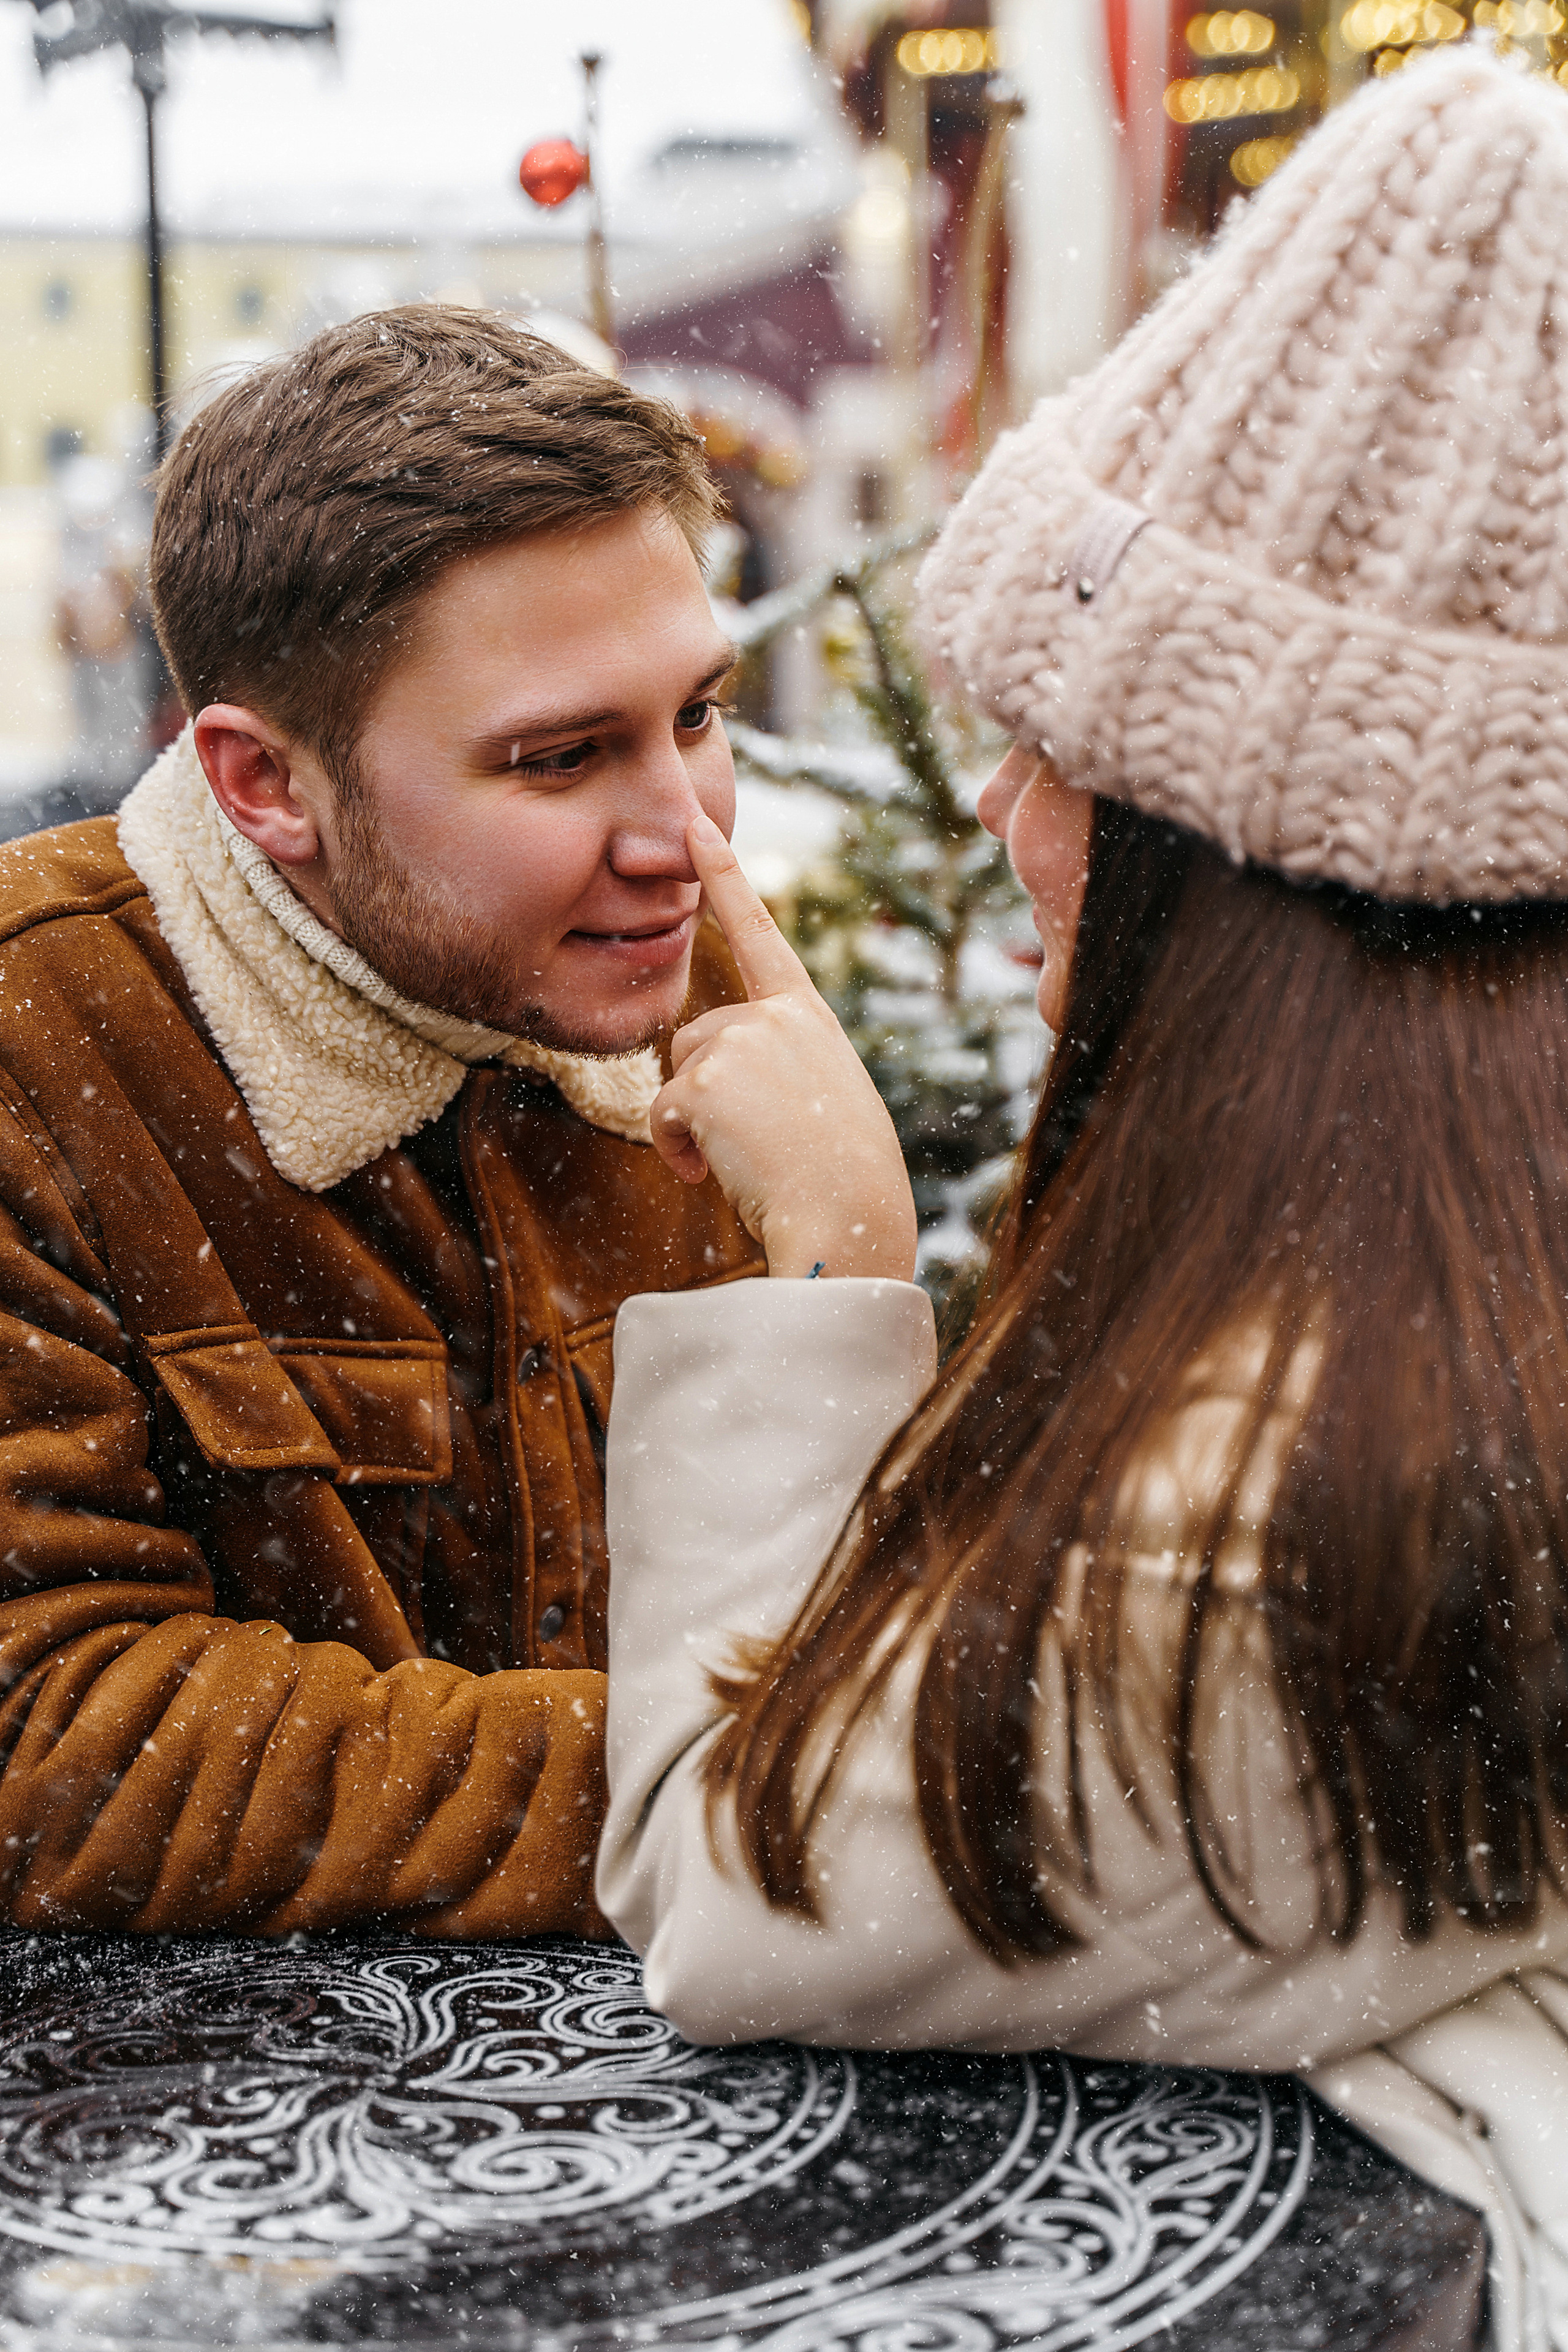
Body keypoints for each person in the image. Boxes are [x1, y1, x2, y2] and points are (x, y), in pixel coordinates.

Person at [597, 52, 1568, 2349]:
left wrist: (828, 1251)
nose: (1007, 804)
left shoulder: (1321, 1509)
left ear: (1254, 875)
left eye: (1070, 748)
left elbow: (744, 1894)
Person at [0, 305, 763, 1940]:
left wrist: (855, 1259)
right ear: (266, 785)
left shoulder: (694, 996)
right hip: (185, 2164)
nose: (686, 841)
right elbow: (52, 1745)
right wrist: (747, 1783)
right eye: (562, 758)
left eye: (698, 714)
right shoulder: (34, 1046)